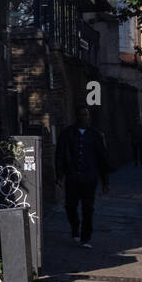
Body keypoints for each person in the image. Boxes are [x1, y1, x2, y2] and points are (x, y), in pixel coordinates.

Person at [54, 105, 110, 249]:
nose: (84, 118)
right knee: (70, 207)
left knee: (88, 208)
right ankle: (75, 226)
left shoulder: (96, 135)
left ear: (89, 117)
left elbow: (102, 158)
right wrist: (59, 175)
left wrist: (105, 181)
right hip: (72, 178)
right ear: (77, 116)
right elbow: (59, 155)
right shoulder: (67, 134)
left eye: (86, 115)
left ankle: (86, 237)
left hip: (89, 178)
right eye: (81, 115)